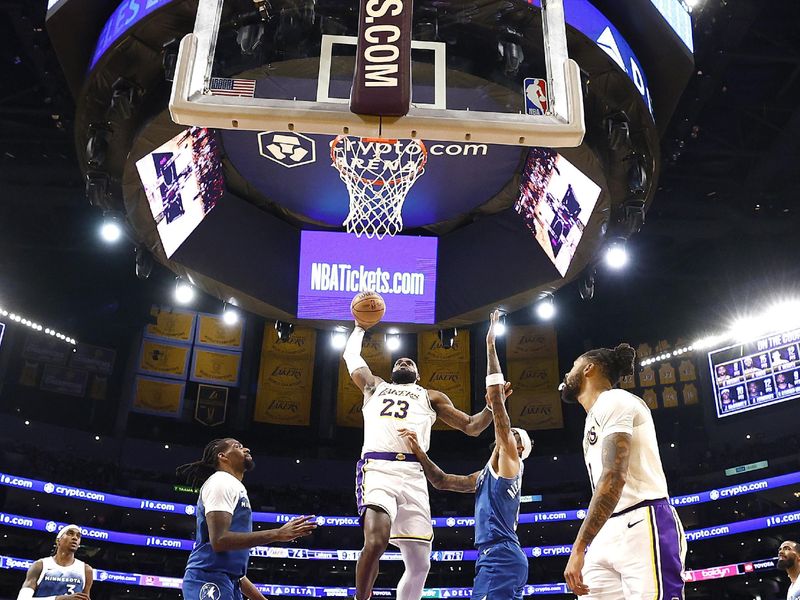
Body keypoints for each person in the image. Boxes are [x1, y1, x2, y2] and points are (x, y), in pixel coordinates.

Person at [342, 321, 503, 600]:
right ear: (393, 373)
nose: (404, 361)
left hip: (415, 475)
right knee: (376, 541)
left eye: (409, 362)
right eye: (400, 361)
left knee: (420, 563)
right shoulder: (374, 387)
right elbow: (351, 358)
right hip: (380, 469)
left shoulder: (431, 397)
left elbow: (472, 427)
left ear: (417, 375)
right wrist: (359, 328)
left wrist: (491, 406)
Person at [398, 310, 532, 600]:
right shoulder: (484, 476)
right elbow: (442, 481)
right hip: (496, 557)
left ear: (519, 449)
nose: (509, 437)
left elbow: (497, 402)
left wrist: (490, 344)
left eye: (514, 437)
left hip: (501, 555)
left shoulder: (511, 461)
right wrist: (419, 451)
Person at [560, 344, 686, 599]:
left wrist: (578, 547)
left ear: (589, 369)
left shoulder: (614, 400)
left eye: (572, 366)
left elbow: (613, 477)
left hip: (642, 520)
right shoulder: (593, 417)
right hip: (605, 531)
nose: (566, 374)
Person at [177, 438, 317, 600]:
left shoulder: (234, 486)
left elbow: (236, 574)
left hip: (228, 581)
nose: (246, 449)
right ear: (223, 456)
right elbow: (219, 540)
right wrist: (278, 534)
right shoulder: (221, 482)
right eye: (238, 447)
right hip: (207, 578)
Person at [17, 524, 92, 600]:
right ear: (58, 540)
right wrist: (59, 599)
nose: (75, 538)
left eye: (78, 536)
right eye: (70, 534)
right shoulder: (40, 565)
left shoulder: (86, 570)